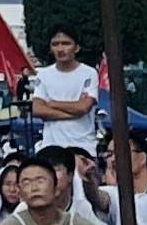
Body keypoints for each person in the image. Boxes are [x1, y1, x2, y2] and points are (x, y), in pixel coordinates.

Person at [25, 28, 104, 160]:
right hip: (51, 147)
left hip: (83, 147)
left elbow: (84, 107)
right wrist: (75, 112)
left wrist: (52, 104)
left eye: (66, 43)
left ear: (77, 47)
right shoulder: (44, 75)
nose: (60, 49)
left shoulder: (89, 73)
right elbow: (37, 109)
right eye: (55, 44)